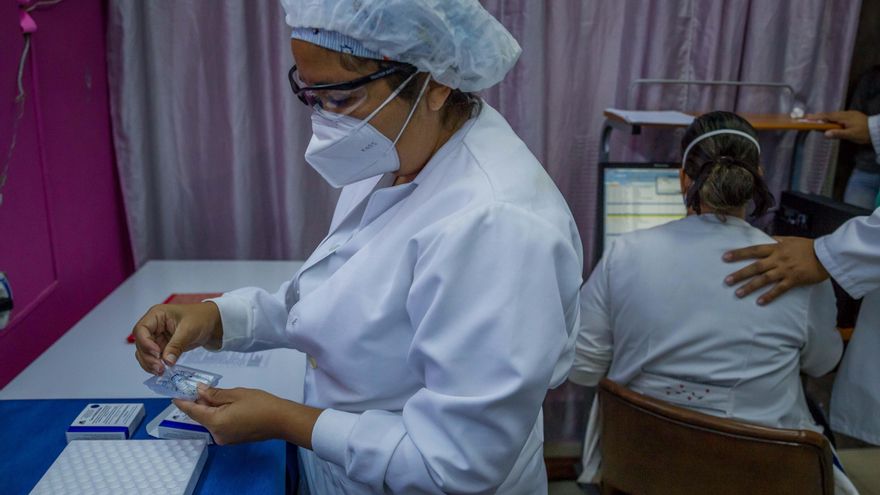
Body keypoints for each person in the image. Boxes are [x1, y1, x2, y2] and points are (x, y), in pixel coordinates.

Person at [132, 0, 584, 493]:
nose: (326, 120)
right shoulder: (398, 150)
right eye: (311, 94)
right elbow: (340, 298)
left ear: (435, 83)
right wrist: (219, 318)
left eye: (342, 98)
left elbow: (456, 464)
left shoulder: (497, 226)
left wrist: (284, 419)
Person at [570, 111, 854, 492]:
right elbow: (822, 363)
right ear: (757, 177)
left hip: (641, 474)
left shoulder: (625, 254)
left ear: (683, 178)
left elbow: (582, 369)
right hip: (761, 479)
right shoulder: (798, 272)